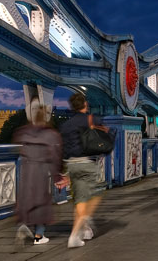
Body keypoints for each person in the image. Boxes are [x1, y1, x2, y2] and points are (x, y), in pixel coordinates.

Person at [60, 91, 107, 248]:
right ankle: (76, 232)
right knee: (96, 194)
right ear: (85, 105)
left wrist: (65, 173)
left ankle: (84, 230)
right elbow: (105, 132)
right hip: (87, 163)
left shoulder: (65, 125)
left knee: (80, 198)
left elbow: (63, 149)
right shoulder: (90, 119)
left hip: (71, 164)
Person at [14, 103, 63, 246]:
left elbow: (19, 148)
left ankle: (23, 225)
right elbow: (55, 157)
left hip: (27, 170)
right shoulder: (51, 135)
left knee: (27, 199)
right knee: (41, 201)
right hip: (41, 170)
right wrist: (57, 176)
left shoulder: (25, 132)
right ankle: (39, 235)